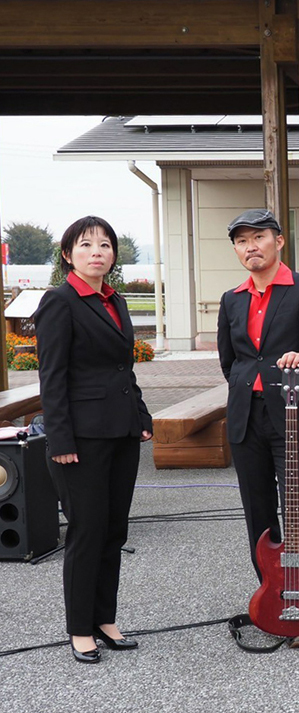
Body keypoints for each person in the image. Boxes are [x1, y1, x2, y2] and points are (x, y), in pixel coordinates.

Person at [35, 216, 153, 663]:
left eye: (104, 245)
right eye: (85, 245)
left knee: (114, 530)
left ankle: (105, 619)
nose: (96, 252)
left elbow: (123, 368)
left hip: (121, 432)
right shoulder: (59, 302)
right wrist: (60, 439)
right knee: (87, 531)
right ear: (68, 255)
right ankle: (80, 628)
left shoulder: (114, 300)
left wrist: (141, 415)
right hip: (80, 439)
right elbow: (52, 377)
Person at [217, 209, 299, 649]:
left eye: (259, 237)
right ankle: (271, 599)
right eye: (241, 240)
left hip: (292, 411)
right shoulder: (231, 299)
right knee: (259, 514)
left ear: (278, 241)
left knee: (298, 509)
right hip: (248, 416)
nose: (251, 246)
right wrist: (247, 388)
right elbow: (230, 360)